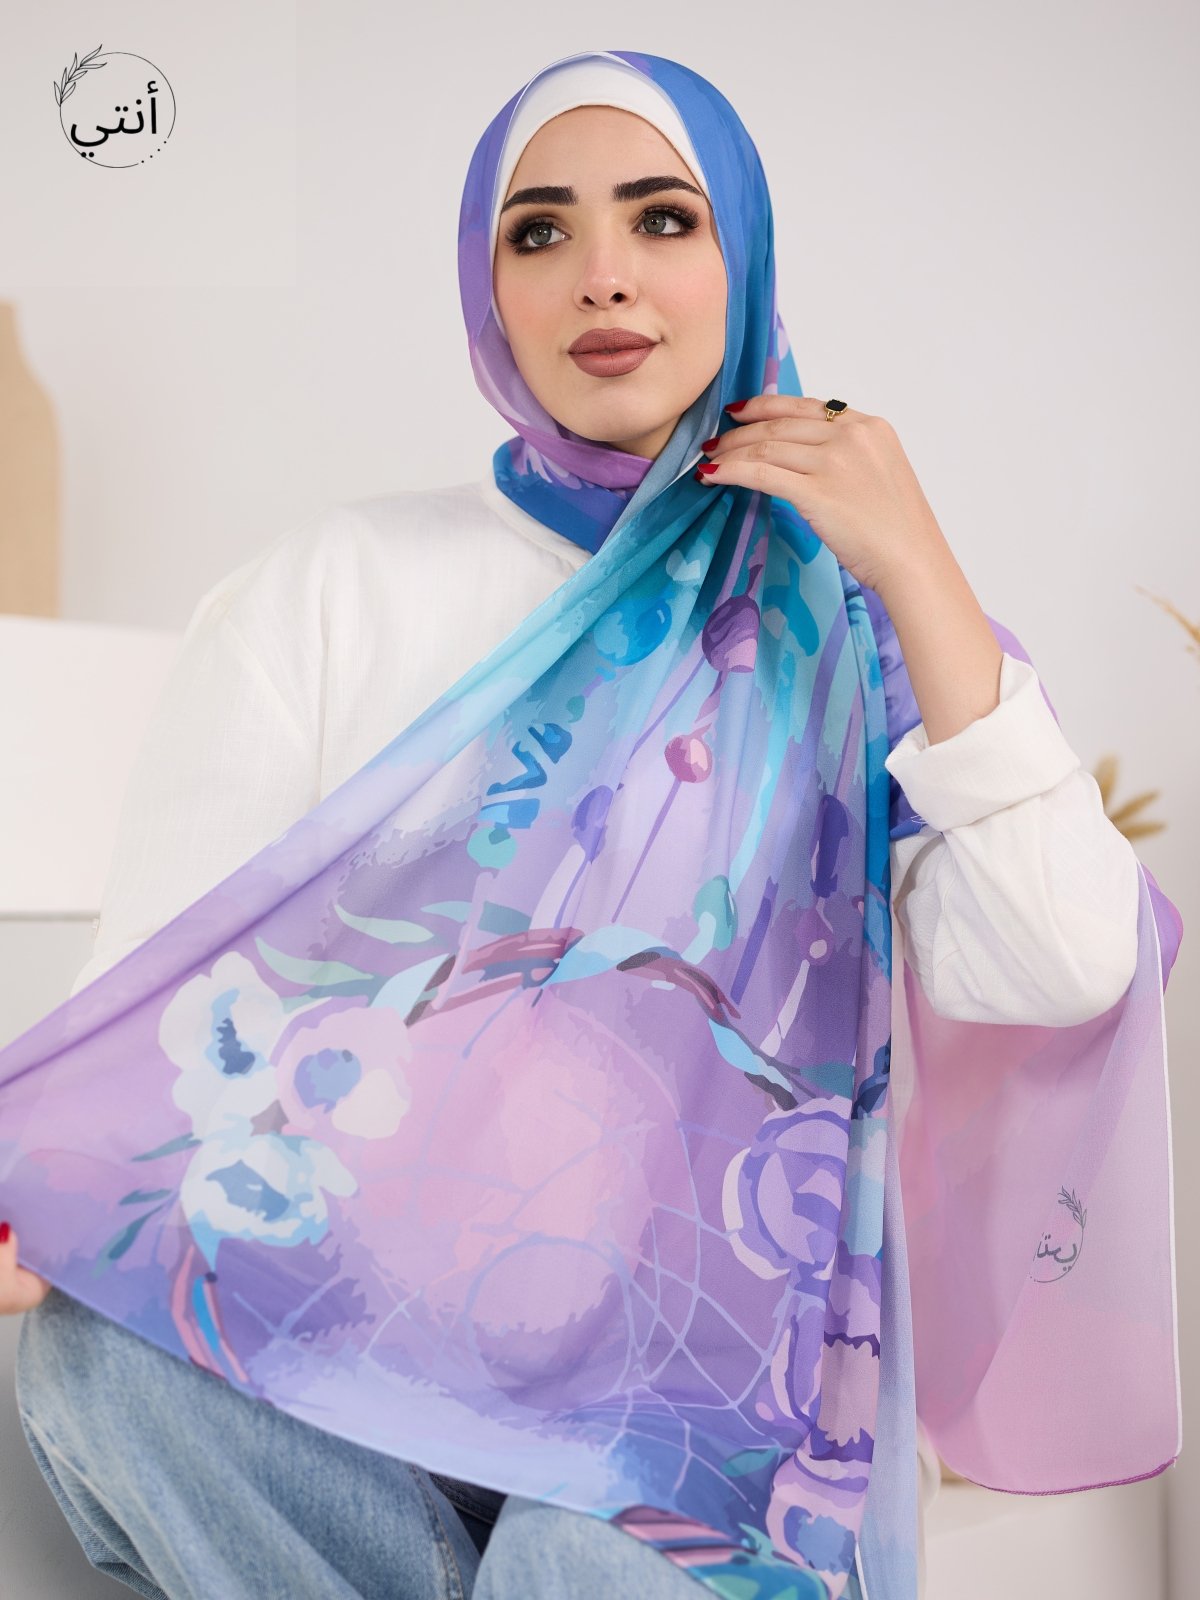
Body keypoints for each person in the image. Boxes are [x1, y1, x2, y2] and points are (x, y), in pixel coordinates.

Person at [2, 48, 1178, 1600]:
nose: (602, 275)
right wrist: (50, 1197)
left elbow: (1067, 963)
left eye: (663, 219)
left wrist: (919, 572)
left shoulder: (859, 629)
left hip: (706, 1405)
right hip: (350, 1350)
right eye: (541, 230)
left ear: (742, 258)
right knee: (103, 1363)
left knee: (583, 1561)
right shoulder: (331, 591)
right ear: (487, 289)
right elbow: (162, 1002)